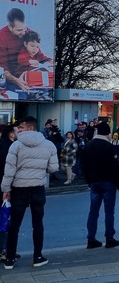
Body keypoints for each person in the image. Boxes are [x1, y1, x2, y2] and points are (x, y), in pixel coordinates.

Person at [1, 116, 58, 270]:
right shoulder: (49, 145)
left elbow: (9, 170)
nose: (19, 129)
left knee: (15, 225)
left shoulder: (16, 146)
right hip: (38, 187)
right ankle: (38, 256)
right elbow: (53, 168)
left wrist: (5, 189)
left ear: (30, 127)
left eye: (21, 127)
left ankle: (10, 258)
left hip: (19, 188)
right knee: (37, 223)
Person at [81, 122, 119, 249]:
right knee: (109, 211)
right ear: (107, 133)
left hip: (94, 182)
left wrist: (89, 181)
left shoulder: (88, 146)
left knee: (93, 211)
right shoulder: (109, 147)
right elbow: (115, 167)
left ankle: (91, 238)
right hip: (108, 182)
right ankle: (109, 238)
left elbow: (84, 166)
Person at [0, 8, 30, 90]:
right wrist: (17, 81)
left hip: (27, 78)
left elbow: (37, 53)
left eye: (25, 29)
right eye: (19, 30)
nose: (23, 33)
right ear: (10, 26)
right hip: (9, 81)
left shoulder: (28, 32)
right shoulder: (2, 37)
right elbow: (2, 70)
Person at [0, 124, 17, 262]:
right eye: (16, 131)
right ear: (10, 134)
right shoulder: (9, 148)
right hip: (4, 189)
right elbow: (7, 171)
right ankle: (3, 251)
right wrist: (7, 189)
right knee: (4, 220)